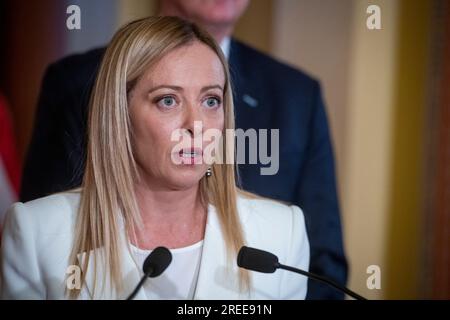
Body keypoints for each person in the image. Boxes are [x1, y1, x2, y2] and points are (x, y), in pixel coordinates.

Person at [20, 0, 347, 299]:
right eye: (167, 100)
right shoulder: (40, 233)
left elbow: (323, 268)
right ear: (116, 113)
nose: (197, 125)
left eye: (211, 101)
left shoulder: (281, 229)